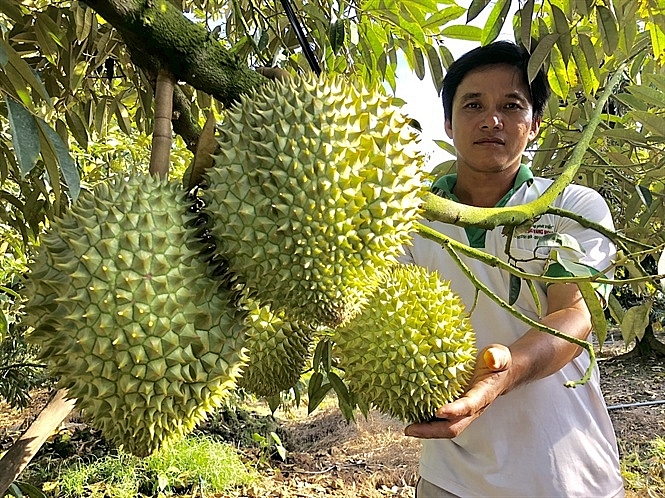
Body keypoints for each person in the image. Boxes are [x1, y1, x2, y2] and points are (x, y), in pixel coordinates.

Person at [401, 41, 625, 497]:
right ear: (448, 122)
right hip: (452, 481)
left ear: (534, 124)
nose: (491, 119)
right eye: (473, 104)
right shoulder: (408, 220)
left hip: (569, 476)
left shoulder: (572, 206)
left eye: (511, 105)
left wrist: (505, 372)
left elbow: (573, 314)